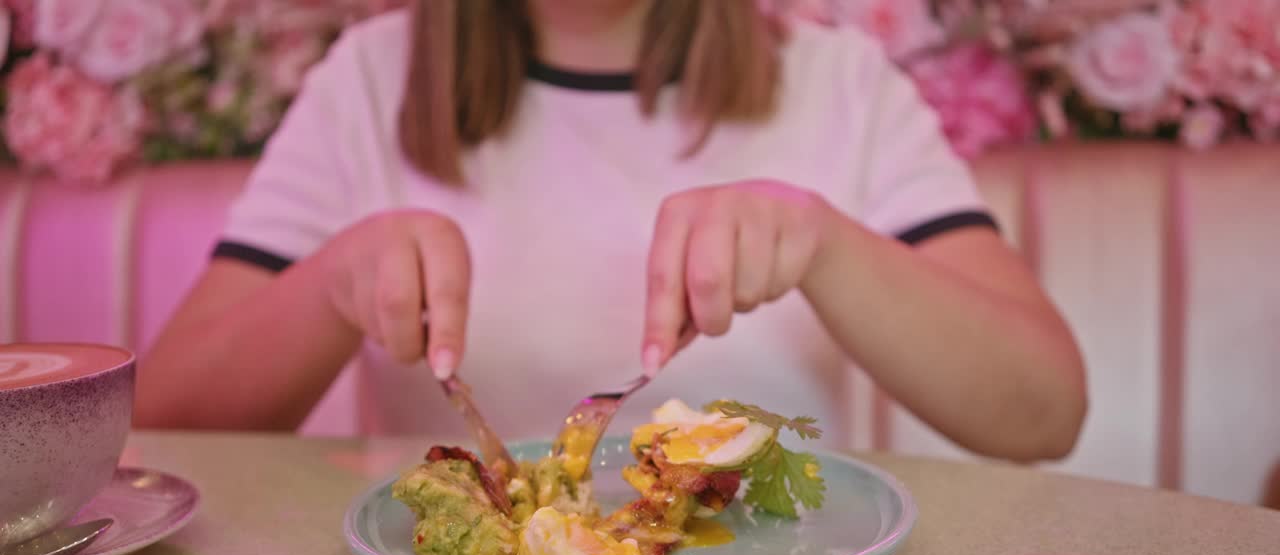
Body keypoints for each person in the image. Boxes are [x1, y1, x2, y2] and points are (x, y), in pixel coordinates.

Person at [135, 0, 1087, 462]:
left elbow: (1044, 411)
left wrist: (829, 246)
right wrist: (330, 283)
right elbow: (161, 428)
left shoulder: (841, 83)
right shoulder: (367, 82)